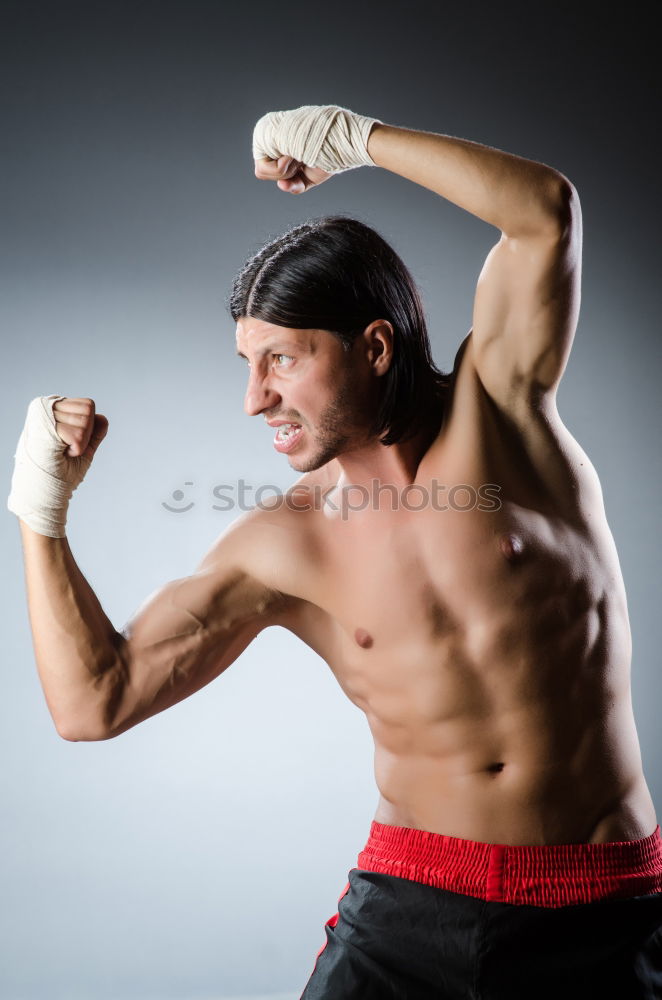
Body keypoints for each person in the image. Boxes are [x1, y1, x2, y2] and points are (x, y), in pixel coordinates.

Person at [8, 105, 662, 999]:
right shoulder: (284, 543)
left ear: (376, 346)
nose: (253, 399)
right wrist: (40, 507)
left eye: (280, 361)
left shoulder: (501, 415)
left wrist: (359, 141)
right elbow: (93, 702)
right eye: (247, 364)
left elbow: (545, 212)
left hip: (604, 912)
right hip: (409, 916)